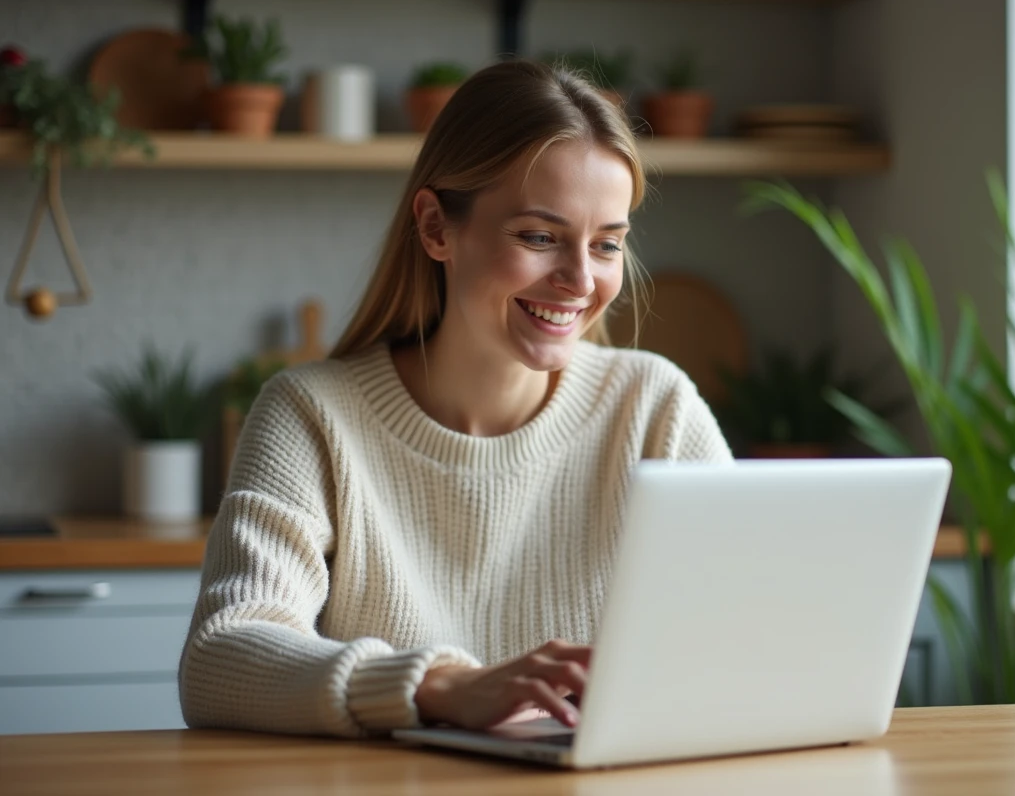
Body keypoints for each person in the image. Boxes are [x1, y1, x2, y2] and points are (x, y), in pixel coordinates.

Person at [178, 59, 732, 739]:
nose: (580, 280)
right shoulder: (311, 415)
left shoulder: (656, 408)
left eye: (607, 244)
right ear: (437, 227)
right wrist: (444, 687)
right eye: (539, 237)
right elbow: (219, 658)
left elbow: (753, 640)